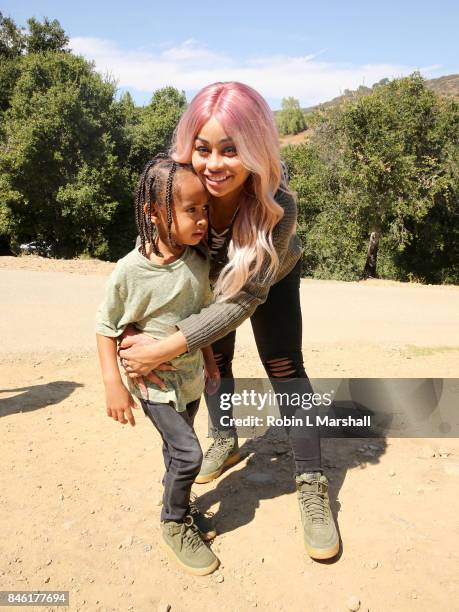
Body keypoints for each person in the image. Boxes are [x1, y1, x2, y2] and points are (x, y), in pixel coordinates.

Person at [119, 82, 340, 560]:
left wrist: (165, 346)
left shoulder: (279, 203)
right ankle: (225, 440)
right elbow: (151, 257)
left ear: (256, 150)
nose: (214, 164)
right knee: (213, 360)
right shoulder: (176, 182)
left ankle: (312, 483)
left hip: (269, 278)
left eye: (231, 149)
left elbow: (244, 301)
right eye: (203, 149)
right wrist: (135, 326)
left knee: (283, 365)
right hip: (207, 284)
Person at [95, 155, 221, 576]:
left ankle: (180, 506)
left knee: (175, 452)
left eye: (204, 209)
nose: (201, 219)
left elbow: (202, 316)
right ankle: (172, 522)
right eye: (190, 210)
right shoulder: (130, 271)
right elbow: (105, 326)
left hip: (189, 380)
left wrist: (209, 361)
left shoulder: (198, 261)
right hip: (153, 386)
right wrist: (113, 383)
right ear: (153, 213)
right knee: (189, 455)